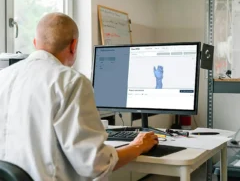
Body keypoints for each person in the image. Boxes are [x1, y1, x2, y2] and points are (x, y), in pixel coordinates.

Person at [0, 12, 158, 181]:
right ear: (73, 45)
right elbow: (94, 164)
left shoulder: (4, 76)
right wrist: (138, 146)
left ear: (35, 43)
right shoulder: (70, 81)